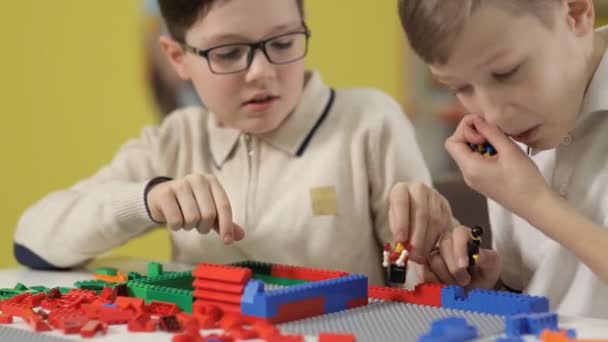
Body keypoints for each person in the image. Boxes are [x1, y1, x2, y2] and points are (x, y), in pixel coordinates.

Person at [14, 0, 453, 286]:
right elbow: (33, 240)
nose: (261, 71)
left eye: (283, 42)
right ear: (177, 58)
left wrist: (433, 256)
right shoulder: (176, 140)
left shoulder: (368, 122)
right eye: (227, 53)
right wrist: (147, 200)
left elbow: (416, 278)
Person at [392, 0, 608, 318]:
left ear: (575, 13)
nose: (493, 114)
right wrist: (486, 288)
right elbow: (538, 291)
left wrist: (536, 203)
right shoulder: (511, 136)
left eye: (507, 73)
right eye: (459, 87)